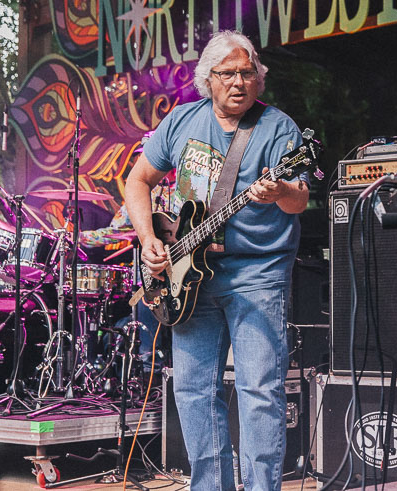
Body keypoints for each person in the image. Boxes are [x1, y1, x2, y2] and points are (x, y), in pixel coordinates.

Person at [125, 30, 310, 491]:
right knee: (192, 392)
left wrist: (280, 189)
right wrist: (149, 238)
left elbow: (299, 201)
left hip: (257, 274)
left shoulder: (279, 129)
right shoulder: (182, 121)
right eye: (228, 73)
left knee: (260, 393)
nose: (239, 81)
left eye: (248, 73)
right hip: (187, 277)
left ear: (259, 80)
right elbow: (137, 182)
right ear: (208, 79)